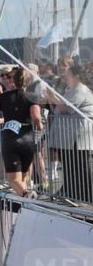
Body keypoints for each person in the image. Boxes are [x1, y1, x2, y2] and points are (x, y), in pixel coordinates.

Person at [46, 63, 93, 201]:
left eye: (67, 75)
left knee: (80, 166)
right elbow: (59, 109)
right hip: (70, 137)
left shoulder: (80, 90)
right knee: (69, 165)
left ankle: (87, 193)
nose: (65, 77)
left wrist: (53, 98)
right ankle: (70, 190)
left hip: (78, 138)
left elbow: (67, 109)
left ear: (76, 76)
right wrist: (52, 99)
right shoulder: (72, 90)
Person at [0, 67, 43, 197]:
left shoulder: (3, 97)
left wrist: (0, 121)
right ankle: (25, 200)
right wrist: (39, 126)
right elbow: (36, 116)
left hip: (11, 140)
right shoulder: (33, 97)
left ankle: (27, 195)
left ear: (13, 80)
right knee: (23, 177)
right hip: (28, 139)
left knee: (13, 179)